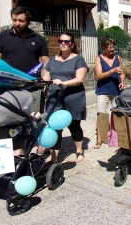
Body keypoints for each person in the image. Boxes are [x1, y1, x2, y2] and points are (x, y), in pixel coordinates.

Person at [0, 6, 49, 156]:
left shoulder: (38, 39)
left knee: (34, 118)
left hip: (32, 87)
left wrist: (47, 79)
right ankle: (18, 150)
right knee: (10, 119)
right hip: (8, 88)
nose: (17, 23)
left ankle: (40, 146)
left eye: (21, 21)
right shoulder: (3, 36)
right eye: (14, 20)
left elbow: (45, 62)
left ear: (28, 21)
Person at [42, 32, 88, 164]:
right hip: (54, 97)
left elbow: (80, 79)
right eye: (61, 41)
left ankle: (79, 150)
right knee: (54, 127)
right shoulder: (52, 60)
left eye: (66, 41)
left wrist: (63, 83)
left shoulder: (78, 59)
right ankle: (54, 159)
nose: (63, 43)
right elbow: (47, 77)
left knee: (74, 125)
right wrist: (42, 79)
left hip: (73, 97)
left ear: (72, 44)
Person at [94, 37, 125, 149]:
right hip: (103, 90)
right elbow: (99, 75)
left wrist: (122, 81)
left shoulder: (118, 58)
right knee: (101, 114)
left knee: (114, 116)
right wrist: (112, 70)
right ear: (103, 47)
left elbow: (122, 73)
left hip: (116, 90)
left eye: (113, 47)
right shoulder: (99, 58)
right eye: (110, 47)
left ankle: (112, 138)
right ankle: (99, 139)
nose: (112, 49)